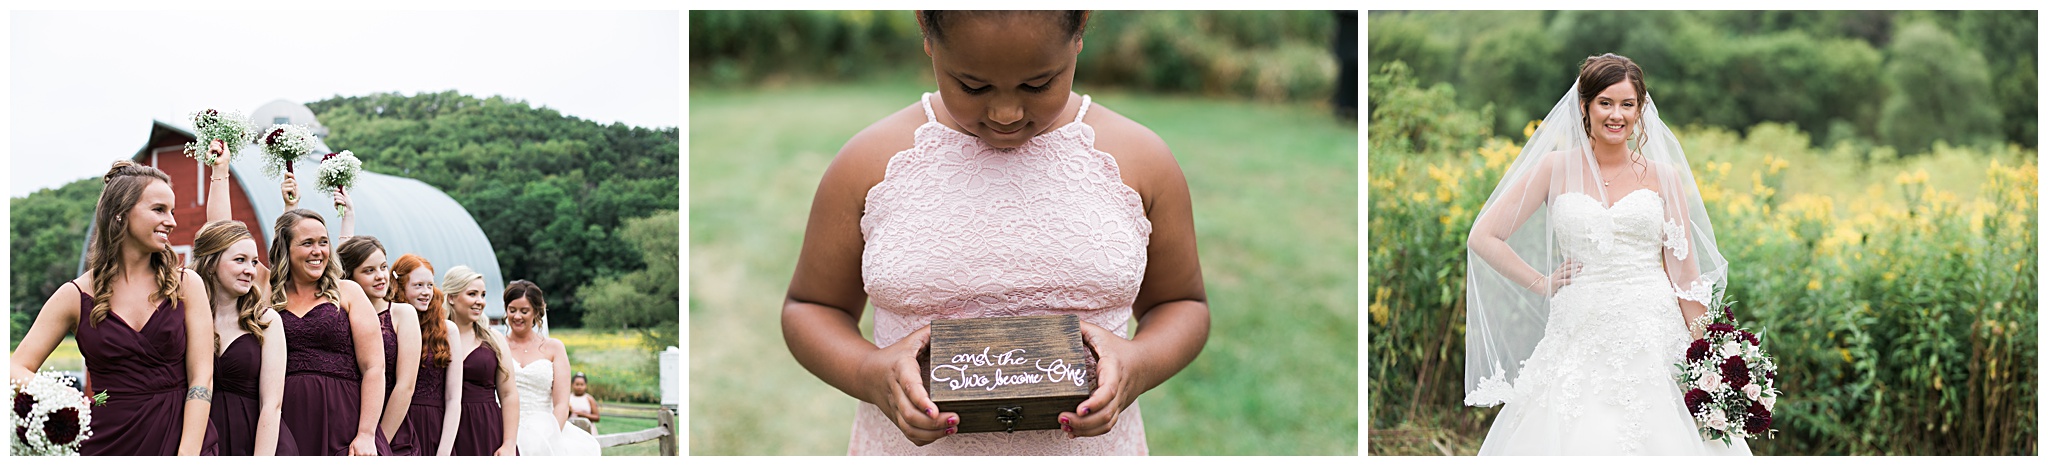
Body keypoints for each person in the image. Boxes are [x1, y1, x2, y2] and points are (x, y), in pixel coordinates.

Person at [782, 10, 1210, 455]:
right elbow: (810, 307)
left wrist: (1139, 363)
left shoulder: (1141, 160)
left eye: (1038, 84)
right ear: (928, 36)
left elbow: (1182, 304)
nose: (1006, 113)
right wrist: (869, 373)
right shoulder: (869, 162)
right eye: (972, 86)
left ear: (1079, 31)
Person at [1463, 53, 1747, 455]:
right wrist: (1542, 283)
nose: (1617, 115)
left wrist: (1711, 357)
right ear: (1585, 106)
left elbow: (1685, 277)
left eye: (1627, 104)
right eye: (1606, 103)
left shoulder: (1663, 176)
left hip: (1652, 331)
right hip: (1578, 328)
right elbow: (1484, 235)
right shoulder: (1554, 168)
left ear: (1640, 110)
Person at [10, 161, 215, 455]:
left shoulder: (187, 285)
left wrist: (188, 455)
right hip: (106, 444)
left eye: (172, 211)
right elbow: (14, 367)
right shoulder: (74, 295)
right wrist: (59, 396)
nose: (171, 221)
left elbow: (202, 378)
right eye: (159, 210)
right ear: (120, 214)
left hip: (183, 441)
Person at [269, 208, 391, 455]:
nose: (318, 251)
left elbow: (374, 367)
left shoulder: (348, 292)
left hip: (344, 419)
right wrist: (220, 171)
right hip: (285, 422)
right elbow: (224, 242)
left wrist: (366, 433)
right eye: (307, 243)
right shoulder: (269, 294)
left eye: (323, 242)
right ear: (286, 249)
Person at [336, 236, 424, 453]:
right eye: (369, 271)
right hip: (344, 422)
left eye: (383, 267)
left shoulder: (403, 313)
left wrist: (378, 440)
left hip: (390, 427)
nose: (380, 276)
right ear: (349, 277)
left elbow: (406, 386)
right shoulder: (339, 317)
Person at [503, 280, 602, 455]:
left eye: (524, 311)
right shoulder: (497, 344)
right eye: (512, 310)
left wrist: (548, 439)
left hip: (545, 429)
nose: (517, 316)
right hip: (504, 427)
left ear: (536, 312)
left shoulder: (554, 348)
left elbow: (562, 404)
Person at [388, 254, 463, 455]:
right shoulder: (388, 327)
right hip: (395, 422)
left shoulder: (448, 330)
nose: (426, 292)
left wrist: (444, 453)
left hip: (434, 428)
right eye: (418, 285)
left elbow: (453, 399)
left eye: (430, 285)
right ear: (400, 287)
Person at [444, 266, 520, 456]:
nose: (481, 302)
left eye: (483, 295)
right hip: (443, 428)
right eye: (472, 294)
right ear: (451, 297)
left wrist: (509, 443)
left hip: (486, 429)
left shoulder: (493, 339)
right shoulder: (434, 338)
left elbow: (509, 394)